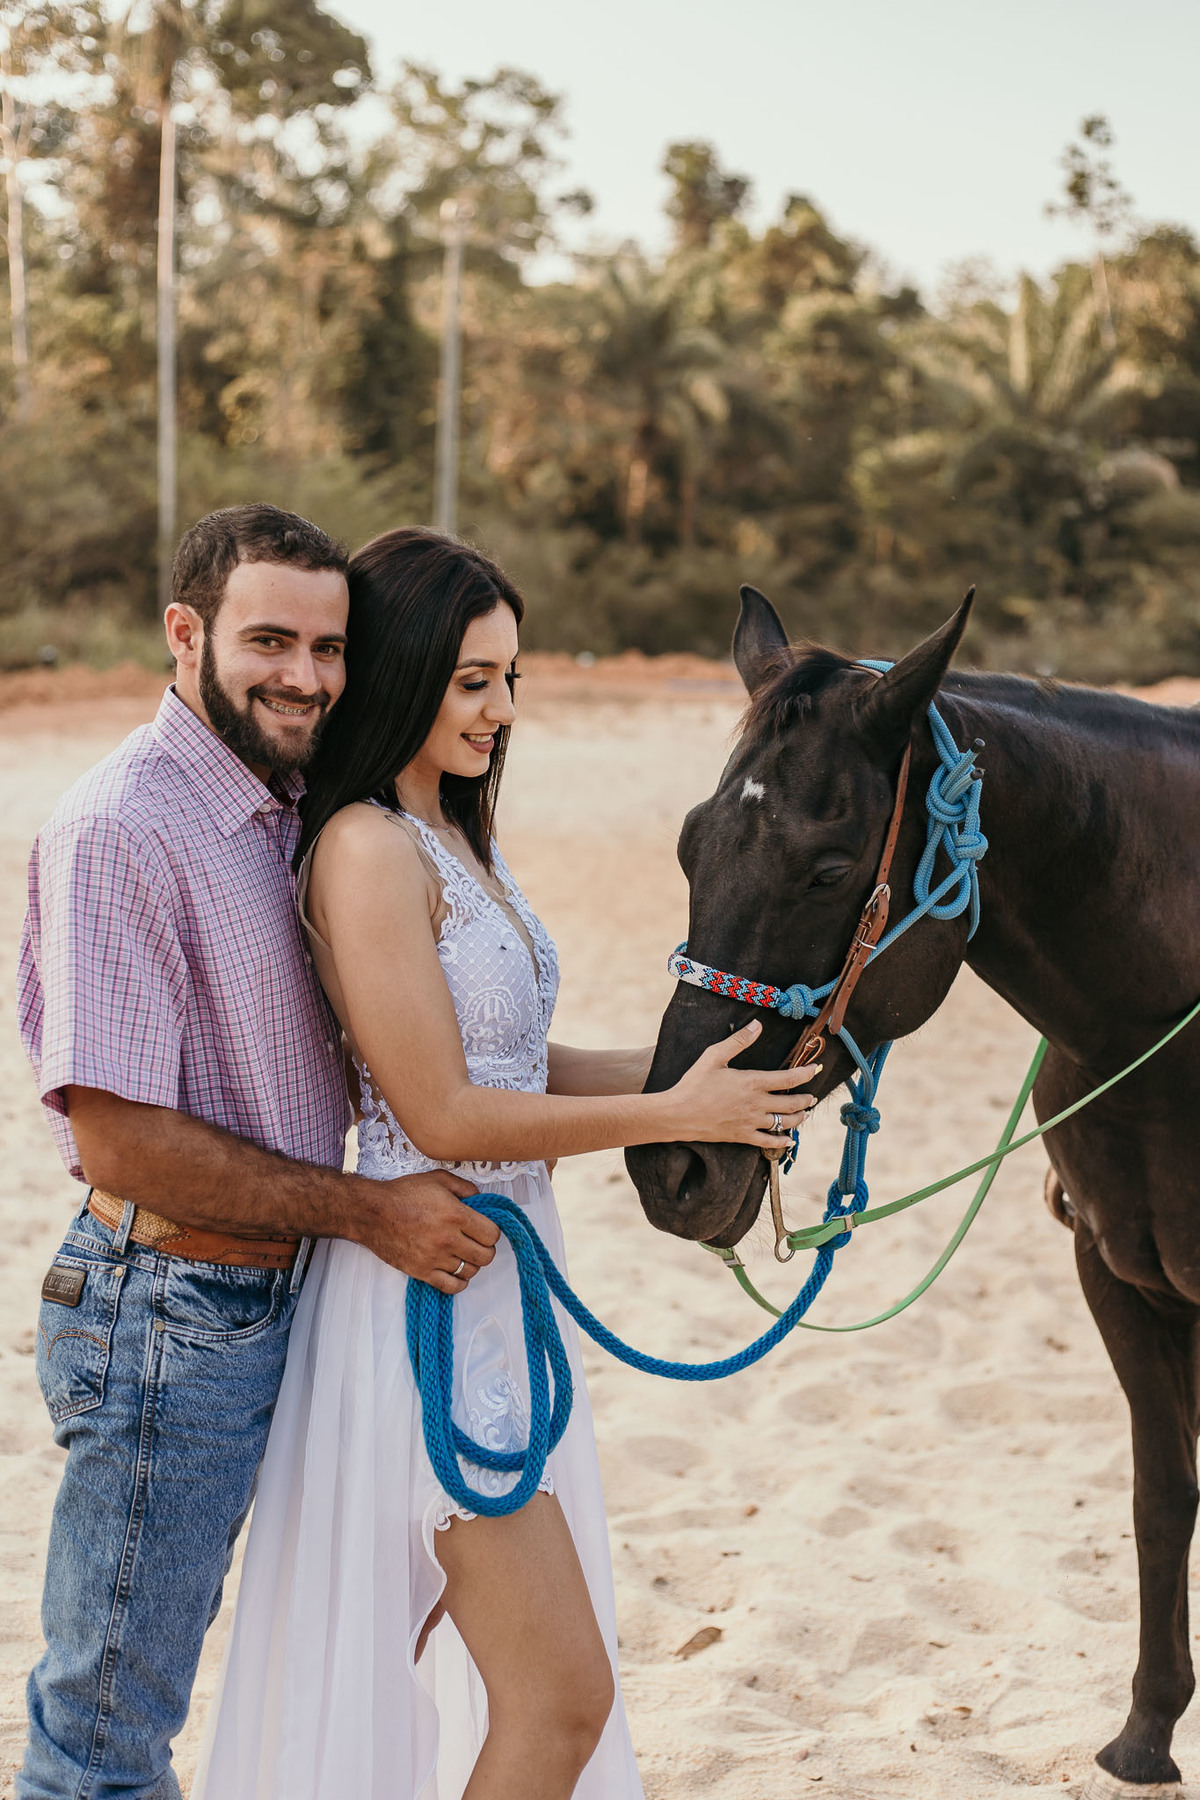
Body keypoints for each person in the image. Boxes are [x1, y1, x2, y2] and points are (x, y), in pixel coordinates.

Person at [194, 527, 819, 1800]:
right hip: (421, 1296)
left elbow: (517, 1062)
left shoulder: (454, 834)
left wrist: (711, 1082)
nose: (501, 709)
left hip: (497, 1285)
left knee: (547, 1693)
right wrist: (665, 1113)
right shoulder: (367, 847)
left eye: (511, 680)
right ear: (407, 672)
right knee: (561, 1699)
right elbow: (441, 1111)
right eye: (472, 680)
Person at [16, 505, 501, 1800]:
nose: (306, 677)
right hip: (168, 1318)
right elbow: (119, 1140)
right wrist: (373, 1212)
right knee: (108, 1734)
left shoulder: (293, 805)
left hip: (293, 1300)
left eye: (329, 649)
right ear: (186, 633)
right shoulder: (121, 827)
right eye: (270, 642)